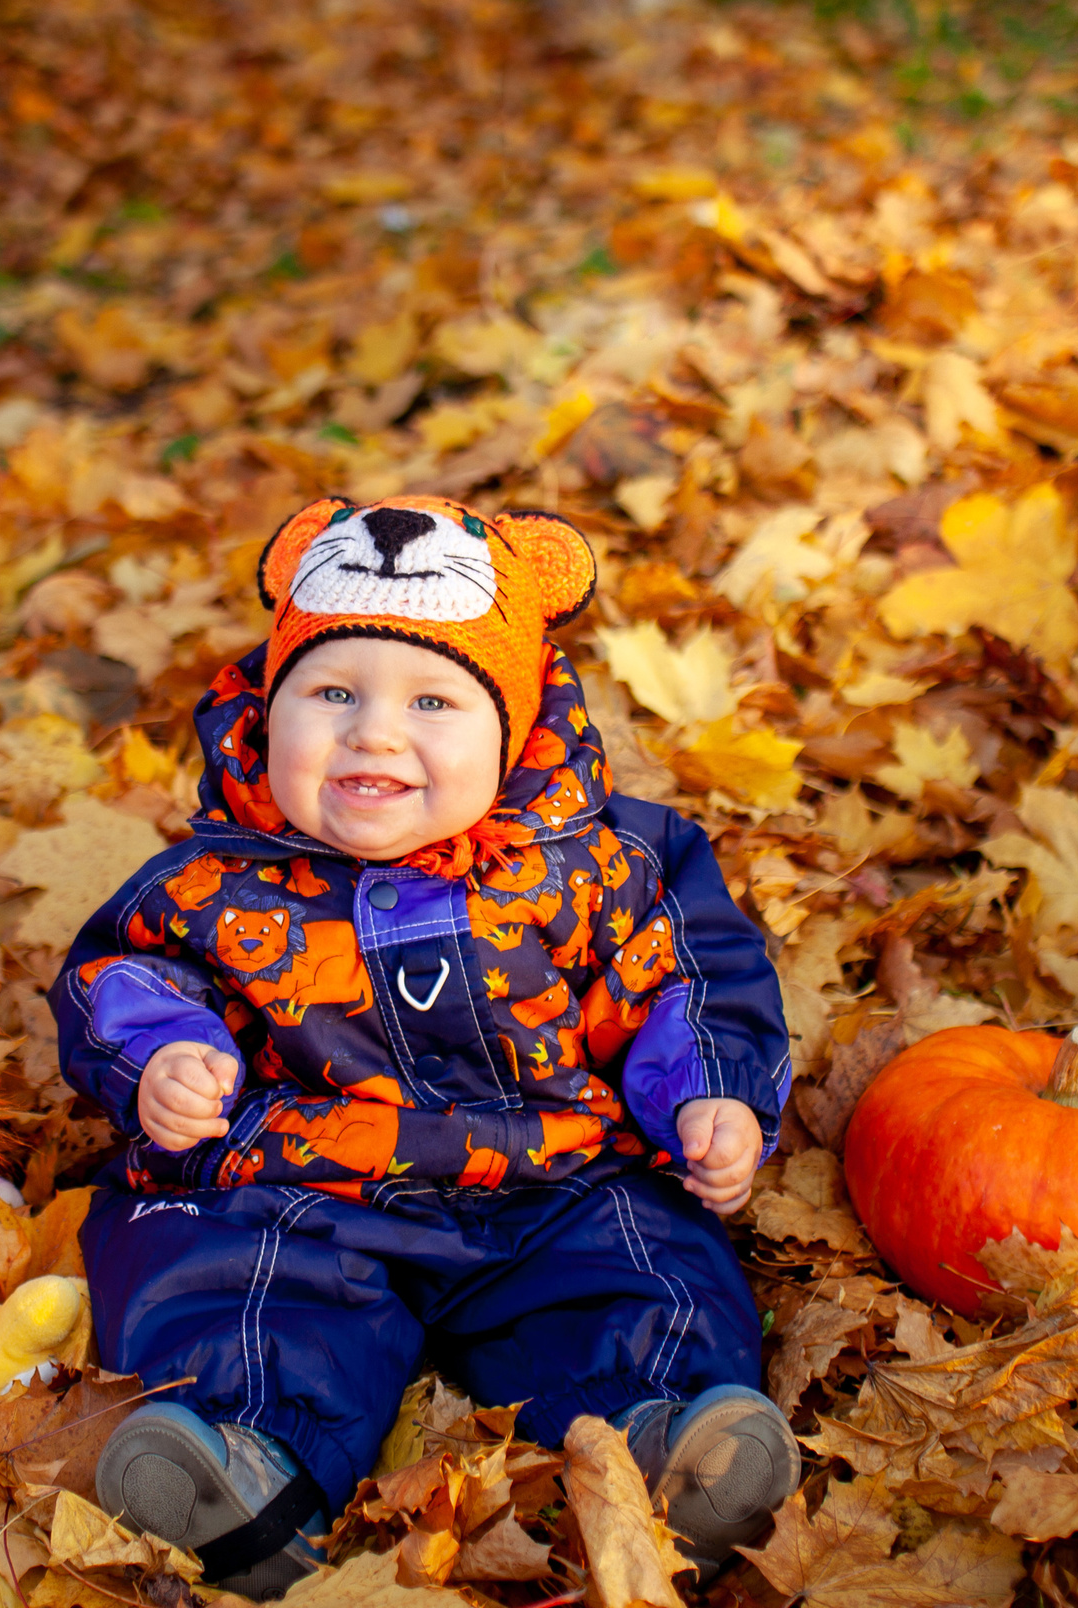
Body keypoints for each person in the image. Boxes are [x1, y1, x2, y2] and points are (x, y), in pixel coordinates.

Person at [50, 494, 797, 1597]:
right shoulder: (211, 882)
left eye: (434, 700)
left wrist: (709, 1096)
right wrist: (163, 1058)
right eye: (333, 692)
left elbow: (687, 975)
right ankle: (241, 1457)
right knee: (221, 1262)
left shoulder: (605, 863)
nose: (375, 733)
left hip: (553, 1176)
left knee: (641, 1258)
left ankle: (665, 1429)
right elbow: (124, 977)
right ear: (269, 711)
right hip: (309, 1185)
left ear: (516, 724)